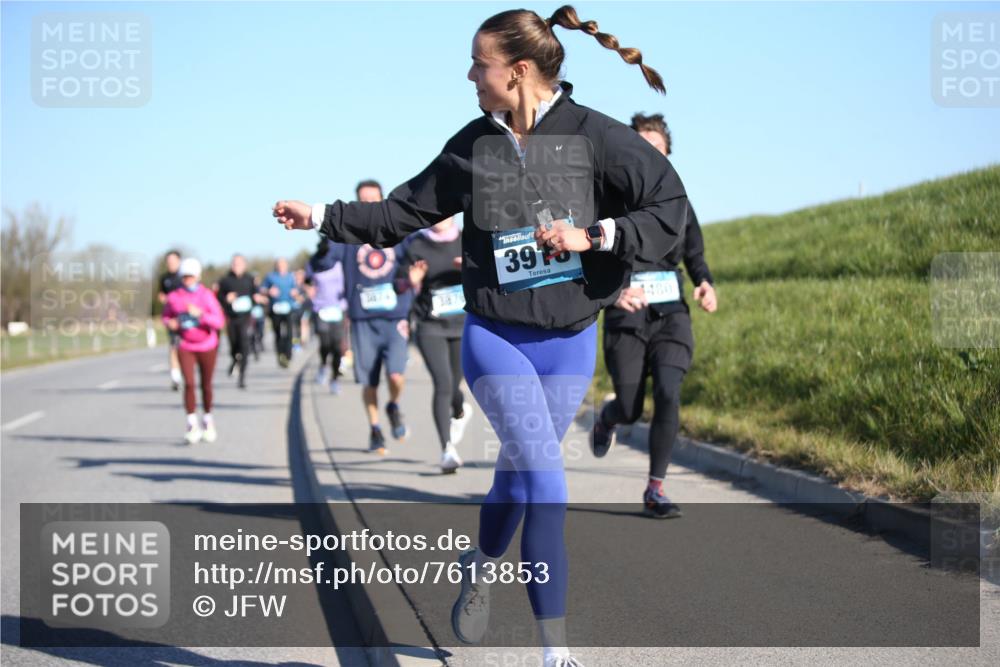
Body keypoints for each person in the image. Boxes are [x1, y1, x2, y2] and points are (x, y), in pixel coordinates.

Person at [273, 7, 687, 665]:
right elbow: (399, 211)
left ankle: (482, 560)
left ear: (517, 72)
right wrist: (320, 215)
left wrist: (597, 235)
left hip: (572, 339)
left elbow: (668, 206)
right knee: (547, 480)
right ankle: (557, 652)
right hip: (495, 336)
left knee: (517, 480)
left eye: (478, 64)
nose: (469, 74)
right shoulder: (475, 145)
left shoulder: (598, 138)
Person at [591, 112, 718, 519]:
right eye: (640, 148)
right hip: (626, 315)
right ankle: (609, 418)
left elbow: (695, 252)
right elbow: (586, 256)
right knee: (630, 408)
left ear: (667, 156)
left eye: (657, 150)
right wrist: (613, 294)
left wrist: (704, 282)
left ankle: (655, 489)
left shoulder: (679, 203)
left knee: (668, 391)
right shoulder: (608, 201)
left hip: (670, 315)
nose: (649, 156)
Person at [322, 180, 415, 455]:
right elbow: (324, 262)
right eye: (363, 201)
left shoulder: (399, 231)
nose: (369, 206)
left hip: (395, 315)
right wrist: (321, 245)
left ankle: (393, 406)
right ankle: (375, 429)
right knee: (369, 382)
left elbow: (417, 256)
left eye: (374, 200)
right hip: (362, 319)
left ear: (383, 200)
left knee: (396, 375)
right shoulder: (347, 236)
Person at [398, 216, 473, 473]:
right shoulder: (416, 244)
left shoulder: (468, 238)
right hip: (430, 325)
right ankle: (447, 450)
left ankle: (460, 410)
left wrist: (470, 267)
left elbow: (491, 274)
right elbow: (398, 285)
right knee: (442, 384)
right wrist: (412, 280)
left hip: (464, 323)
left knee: (455, 385)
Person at [161, 258, 225, 444]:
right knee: (189, 383)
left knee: (206, 384)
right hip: (186, 345)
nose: (188, 280)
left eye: (191, 276)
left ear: (197, 276)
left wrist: (201, 315)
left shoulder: (206, 296)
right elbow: (166, 316)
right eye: (185, 277)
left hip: (207, 345)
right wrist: (170, 323)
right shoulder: (175, 297)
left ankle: (207, 419)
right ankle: (191, 423)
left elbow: (219, 321)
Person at [305, 238, 349, 394]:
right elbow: (307, 281)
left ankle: (335, 379)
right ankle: (323, 365)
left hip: (338, 308)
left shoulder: (340, 260)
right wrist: (309, 290)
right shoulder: (313, 261)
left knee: (337, 346)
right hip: (321, 308)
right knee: (325, 344)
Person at [215, 254, 259, 389]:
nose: (236, 266)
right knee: (234, 345)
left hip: (245, 318)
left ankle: (242, 377)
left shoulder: (250, 279)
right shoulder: (225, 280)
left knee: (245, 346)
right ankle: (234, 359)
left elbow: (255, 295)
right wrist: (226, 298)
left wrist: (257, 299)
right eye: (234, 263)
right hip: (231, 318)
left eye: (239, 263)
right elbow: (218, 298)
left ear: (244, 265)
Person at [260, 258, 299, 368]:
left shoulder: (291, 276)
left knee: (289, 332)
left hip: (289, 307)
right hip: (275, 308)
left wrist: (295, 292)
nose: (281, 267)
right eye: (279, 265)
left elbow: (296, 290)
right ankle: (280, 354)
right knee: (278, 333)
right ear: (276, 266)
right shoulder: (270, 276)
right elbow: (262, 289)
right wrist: (269, 291)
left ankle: (288, 354)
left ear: (287, 266)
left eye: (283, 264)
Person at [157, 250, 184, 390]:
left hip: (185, 318)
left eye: (173, 261)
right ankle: (175, 377)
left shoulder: (185, 277)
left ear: (179, 261)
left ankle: (186, 371)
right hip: (171, 318)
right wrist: (163, 299)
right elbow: (161, 294)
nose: (171, 264)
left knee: (185, 347)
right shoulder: (164, 278)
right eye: (168, 262)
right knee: (173, 347)